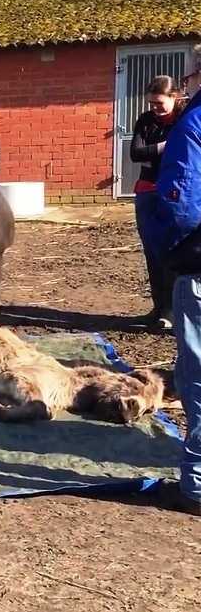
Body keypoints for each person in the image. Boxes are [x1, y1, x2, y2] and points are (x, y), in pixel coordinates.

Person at [142, 66, 201, 516]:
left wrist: (167, 249)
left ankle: (196, 487)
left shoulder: (192, 123)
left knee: (197, 371)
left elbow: (180, 200)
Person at [130, 75, 185, 330]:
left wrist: (152, 151)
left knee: (172, 252)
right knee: (151, 252)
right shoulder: (145, 120)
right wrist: (165, 147)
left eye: (160, 103)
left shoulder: (185, 120)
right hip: (147, 191)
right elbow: (135, 153)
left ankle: (171, 311)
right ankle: (158, 307)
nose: (155, 108)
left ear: (174, 98)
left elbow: (184, 152)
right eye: (152, 103)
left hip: (173, 193)